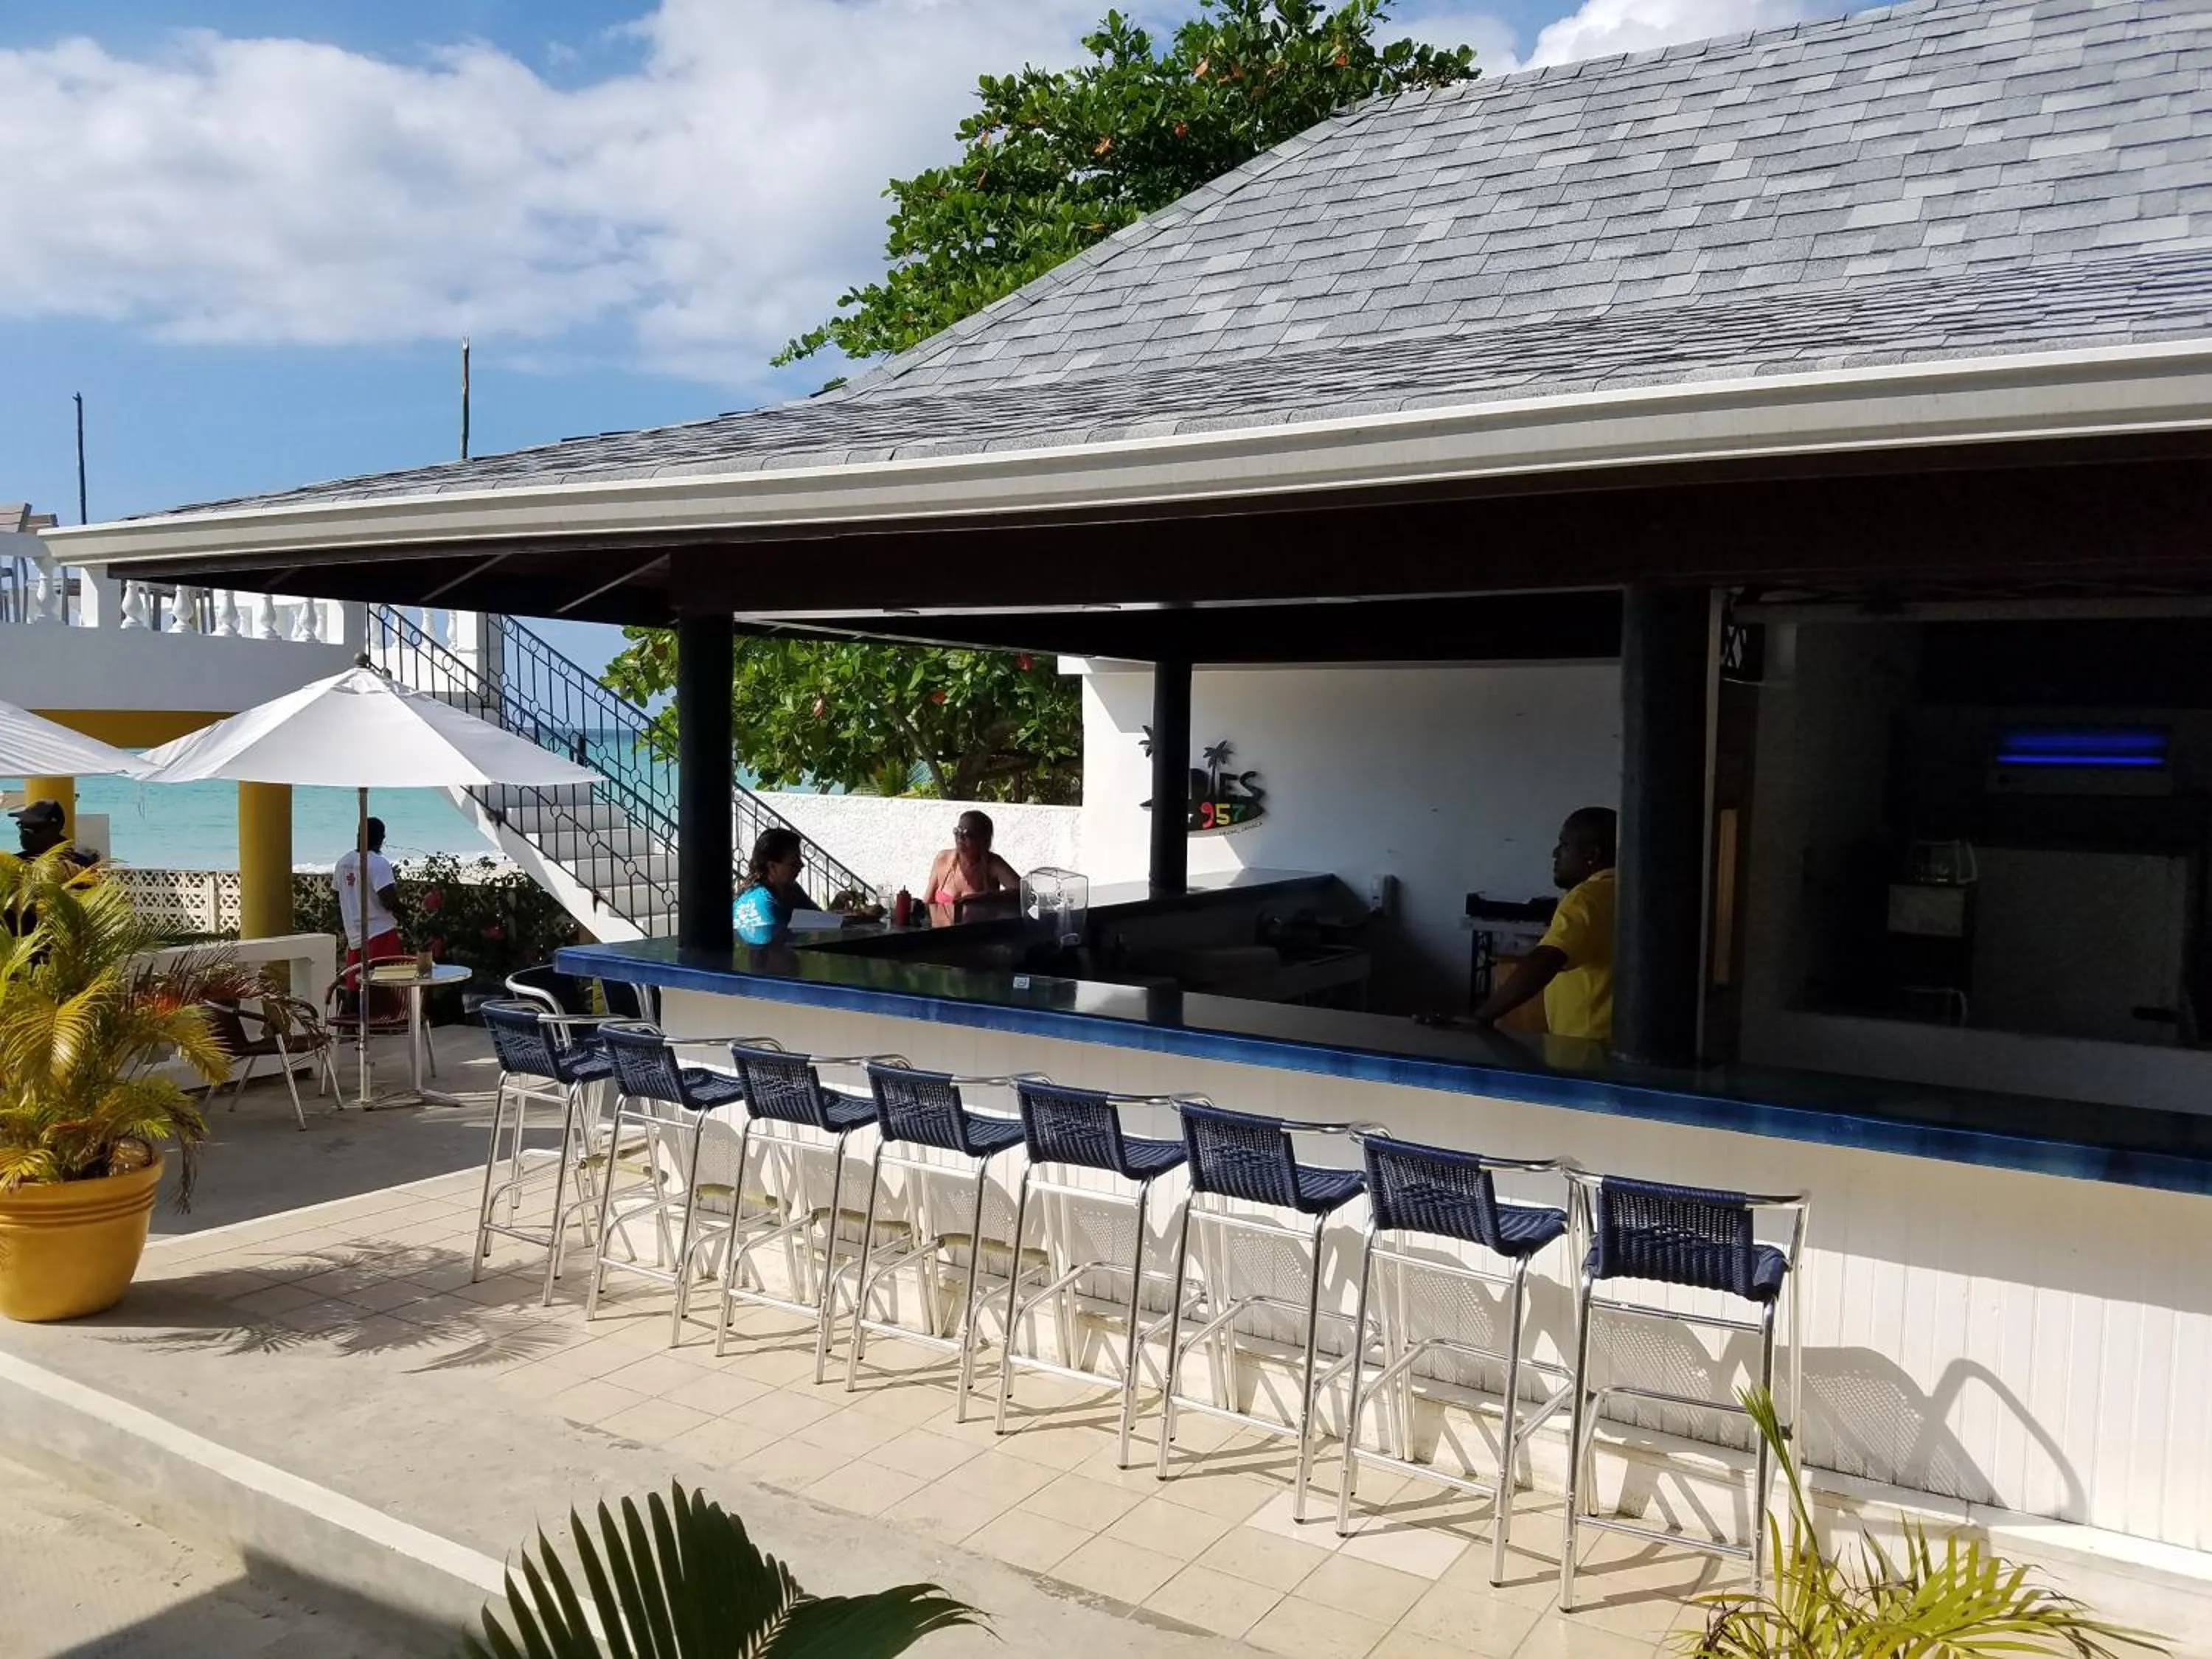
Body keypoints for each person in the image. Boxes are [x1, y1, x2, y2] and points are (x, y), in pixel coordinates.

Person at [1470, 807, 1616, 1042]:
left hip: (1585, 1046)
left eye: (1564, 844)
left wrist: (1481, 1017)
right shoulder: (1625, 892)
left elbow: (1547, 959)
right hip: (1619, 1041)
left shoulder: (1586, 897)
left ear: (1592, 854)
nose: (1555, 853)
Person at [335, 818, 406, 1020]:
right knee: (385, 985)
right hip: (380, 932)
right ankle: (384, 1025)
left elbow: (337, 897)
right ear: (381, 839)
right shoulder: (378, 863)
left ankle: (357, 1027)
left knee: (355, 985)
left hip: (355, 935)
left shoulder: (342, 863)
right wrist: (406, 914)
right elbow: (388, 900)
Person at [922, 810, 1021, 927]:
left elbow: (1023, 892)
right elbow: (927, 904)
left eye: (968, 834)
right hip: (941, 938)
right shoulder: (943, 859)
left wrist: (982, 897)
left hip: (977, 939)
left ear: (983, 840)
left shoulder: (993, 864)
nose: (960, 837)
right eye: (957, 831)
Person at [734, 827, 821, 946]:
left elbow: (820, 920)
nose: (801, 865)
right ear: (772, 867)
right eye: (793, 862)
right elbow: (774, 951)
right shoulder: (761, 902)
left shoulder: (792, 889)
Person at [10, 799, 97, 869]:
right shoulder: (14, 863)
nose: (25, 832)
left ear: (55, 829)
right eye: (21, 825)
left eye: (33, 827)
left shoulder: (78, 867)